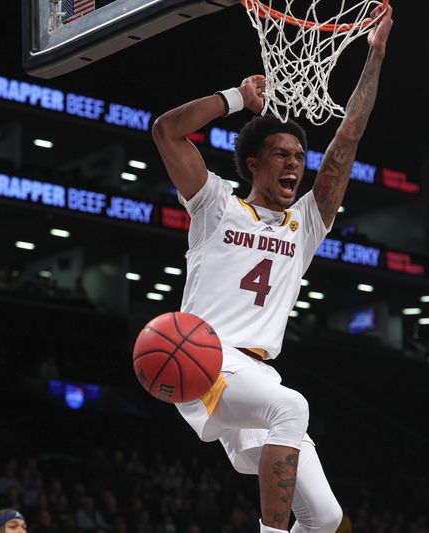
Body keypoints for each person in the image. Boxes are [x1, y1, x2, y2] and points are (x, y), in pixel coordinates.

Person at [151, 5, 393, 533]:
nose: (294, 163)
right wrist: (236, 97)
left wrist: (373, 55)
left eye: (299, 156)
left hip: (255, 375)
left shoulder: (306, 221)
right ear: (252, 163)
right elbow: (166, 132)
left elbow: (348, 136)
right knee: (293, 407)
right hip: (204, 357)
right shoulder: (216, 206)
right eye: (280, 154)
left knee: (326, 520)